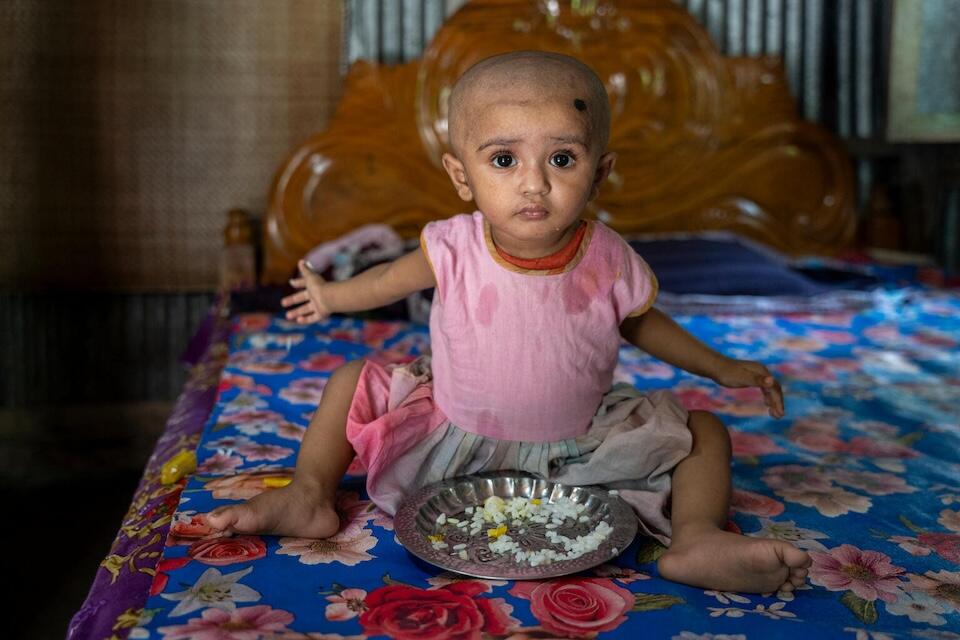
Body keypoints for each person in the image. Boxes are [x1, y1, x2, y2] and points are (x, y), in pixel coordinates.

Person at [208, 51, 811, 594]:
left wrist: (722, 366)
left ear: (599, 172)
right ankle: (310, 495)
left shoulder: (608, 258)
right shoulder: (452, 247)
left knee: (706, 431)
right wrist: (332, 296)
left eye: (562, 158)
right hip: (451, 440)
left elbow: (643, 325)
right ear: (462, 176)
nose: (534, 182)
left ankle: (697, 538)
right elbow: (388, 280)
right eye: (503, 158)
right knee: (349, 381)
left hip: (580, 450)